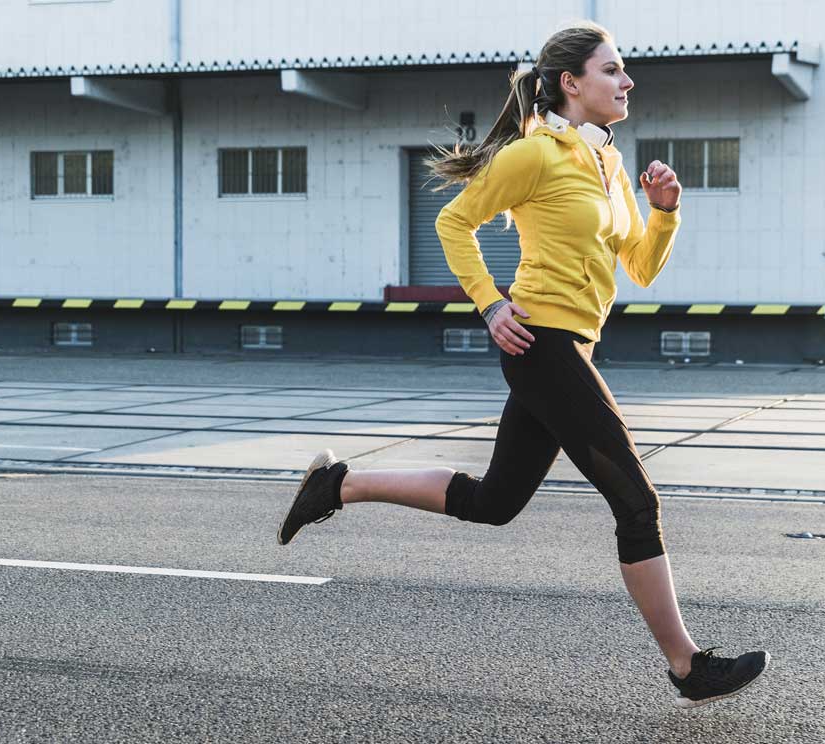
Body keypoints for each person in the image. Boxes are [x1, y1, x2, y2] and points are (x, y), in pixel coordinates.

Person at [277, 21, 770, 709]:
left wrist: (665, 212)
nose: (627, 82)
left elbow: (642, 269)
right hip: (542, 344)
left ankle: (338, 485)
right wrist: (489, 304)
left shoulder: (609, 164)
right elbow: (455, 222)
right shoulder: (536, 154)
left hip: (573, 347)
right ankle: (688, 666)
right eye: (613, 70)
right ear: (573, 84)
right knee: (637, 502)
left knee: (494, 503)